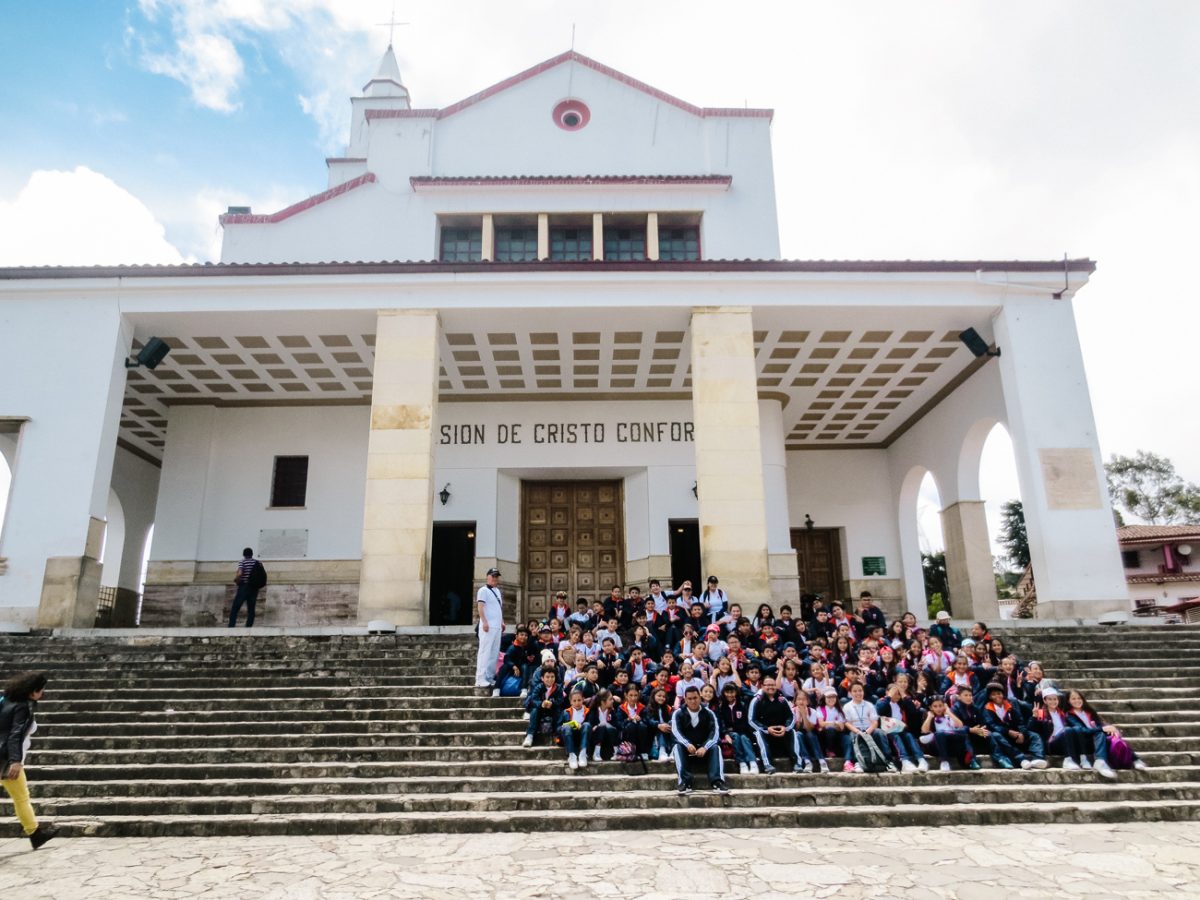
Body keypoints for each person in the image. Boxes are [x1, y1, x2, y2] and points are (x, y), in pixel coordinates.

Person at [1, 672, 57, 849]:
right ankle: (35, 833)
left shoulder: (3, 699)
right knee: (22, 798)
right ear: (33, 691)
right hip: (5, 758)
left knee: (22, 797)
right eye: (41, 691)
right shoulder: (24, 707)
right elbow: (15, 734)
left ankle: (35, 833)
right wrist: (15, 760)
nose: (42, 694)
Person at [1066, 689, 1146, 775]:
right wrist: (1102, 729)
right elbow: (1082, 731)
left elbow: (1100, 725)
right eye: (1073, 699)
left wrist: (1111, 729)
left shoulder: (1089, 712)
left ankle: (1135, 760)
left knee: (1114, 737)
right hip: (1085, 742)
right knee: (1100, 733)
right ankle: (1100, 761)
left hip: (1098, 739)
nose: (1077, 700)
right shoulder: (1069, 715)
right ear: (1068, 701)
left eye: (1079, 698)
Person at [669, 686, 729, 795]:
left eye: (695, 698)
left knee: (716, 747)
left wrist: (705, 747)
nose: (693, 701)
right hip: (687, 749)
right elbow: (676, 732)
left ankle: (717, 782)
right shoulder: (678, 713)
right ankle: (685, 782)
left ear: (700, 697)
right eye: (690, 699)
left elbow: (714, 733)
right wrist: (687, 744)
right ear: (685, 699)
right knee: (677, 747)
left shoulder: (709, 713)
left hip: (704, 748)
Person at [748, 676, 808, 774]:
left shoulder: (782, 700)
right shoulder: (756, 700)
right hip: (765, 732)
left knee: (793, 732)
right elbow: (751, 720)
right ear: (762, 686)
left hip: (781, 732)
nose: (770, 687)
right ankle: (767, 765)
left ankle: (797, 764)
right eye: (768, 685)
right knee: (758, 733)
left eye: (773, 685)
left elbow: (791, 717)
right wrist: (767, 729)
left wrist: (786, 728)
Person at [982, 682, 1047, 770]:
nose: (997, 696)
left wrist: (1022, 733)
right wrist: (1008, 732)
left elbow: (1019, 721)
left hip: (1016, 734)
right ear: (989, 697)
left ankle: (1039, 758)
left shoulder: (1010, 706)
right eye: (993, 694)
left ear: (1003, 694)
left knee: (1034, 736)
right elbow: (992, 725)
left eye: (999, 693)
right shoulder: (987, 708)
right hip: (1003, 736)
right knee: (996, 735)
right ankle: (1021, 759)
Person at [716, 682, 760, 775]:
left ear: (736, 692)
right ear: (724, 693)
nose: (729, 695)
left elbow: (745, 721)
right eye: (727, 692)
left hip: (743, 731)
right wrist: (726, 734)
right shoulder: (721, 706)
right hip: (730, 732)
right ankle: (742, 763)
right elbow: (722, 723)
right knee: (735, 736)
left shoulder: (742, 704)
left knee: (744, 738)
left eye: (732, 692)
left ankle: (752, 763)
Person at [474, 568, 506, 688]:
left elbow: (498, 608)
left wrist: (502, 622)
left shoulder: (497, 591)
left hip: (496, 626)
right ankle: (480, 678)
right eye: (493, 576)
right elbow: (480, 607)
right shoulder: (483, 590)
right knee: (484, 652)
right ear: (488, 577)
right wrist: (484, 622)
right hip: (487, 626)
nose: (495, 578)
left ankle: (489, 676)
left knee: (494, 653)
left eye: (496, 576)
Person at [522, 668, 565, 748]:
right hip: (541, 710)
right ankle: (530, 735)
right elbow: (534, 699)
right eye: (547, 677)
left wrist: (553, 703)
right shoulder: (538, 687)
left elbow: (561, 700)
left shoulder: (558, 688)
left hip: (553, 710)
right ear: (542, 678)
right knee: (534, 710)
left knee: (558, 711)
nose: (550, 679)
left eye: (552, 677)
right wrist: (541, 704)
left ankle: (557, 733)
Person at [228, 547, 266, 628]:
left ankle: (231, 626)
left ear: (244, 554)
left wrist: (236, 580)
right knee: (251, 608)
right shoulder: (257, 562)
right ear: (252, 554)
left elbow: (240, 573)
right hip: (254, 587)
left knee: (236, 607)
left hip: (244, 587)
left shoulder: (243, 562)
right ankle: (248, 626)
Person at [558, 691, 592, 770]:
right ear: (570, 702)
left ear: (583, 699)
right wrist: (570, 724)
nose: (577, 703)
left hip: (583, 736)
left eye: (579, 700)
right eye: (574, 701)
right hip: (569, 736)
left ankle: (583, 753)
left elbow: (591, 725)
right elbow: (558, 728)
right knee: (566, 727)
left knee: (586, 725)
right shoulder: (566, 712)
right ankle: (571, 755)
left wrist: (582, 725)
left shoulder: (588, 711)